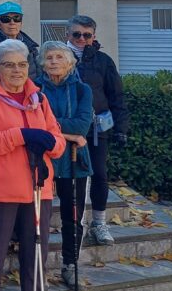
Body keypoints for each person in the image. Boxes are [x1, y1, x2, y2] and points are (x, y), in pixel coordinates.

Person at [0, 39, 65, 291]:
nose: (17, 70)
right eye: (9, 65)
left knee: (36, 260)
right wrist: (20, 135)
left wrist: (50, 143)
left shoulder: (39, 99)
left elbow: (58, 143)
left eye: (22, 64)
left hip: (37, 190)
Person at [35, 42, 94, 289]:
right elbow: (33, 124)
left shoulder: (82, 90)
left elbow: (82, 126)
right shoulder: (34, 89)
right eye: (49, 57)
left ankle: (70, 264)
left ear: (70, 62)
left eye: (60, 57)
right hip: (43, 159)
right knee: (38, 216)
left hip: (74, 161)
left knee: (73, 217)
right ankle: (36, 266)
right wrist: (69, 134)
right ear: (42, 63)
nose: (54, 61)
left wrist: (52, 127)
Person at [66, 15, 129, 247]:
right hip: (69, 127)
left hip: (97, 128)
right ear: (68, 35)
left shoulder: (103, 61)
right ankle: (75, 225)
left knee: (100, 175)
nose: (81, 39)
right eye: (76, 34)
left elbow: (116, 95)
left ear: (94, 36)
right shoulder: (58, 57)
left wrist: (121, 128)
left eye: (87, 35)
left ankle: (99, 223)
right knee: (74, 179)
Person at [0, 2, 41, 79]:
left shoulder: (30, 45)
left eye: (16, 18)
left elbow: (39, 74)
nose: (12, 22)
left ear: (21, 23)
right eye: (6, 19)